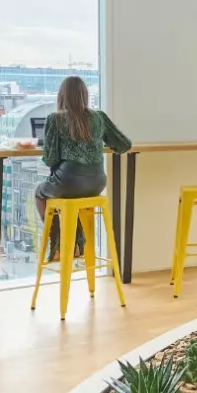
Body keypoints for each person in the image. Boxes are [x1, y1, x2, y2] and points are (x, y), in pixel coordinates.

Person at [35, 76, 131, 260]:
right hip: (96, 183)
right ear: (85, 95)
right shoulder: (99, 117)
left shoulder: (55, 119)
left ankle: (57, 245)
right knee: (75, 198)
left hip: (68, 181)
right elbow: (124, 145)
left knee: (41, 193)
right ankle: (78, 245)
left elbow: (50, 159)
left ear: (62, 96)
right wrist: (94, 144)